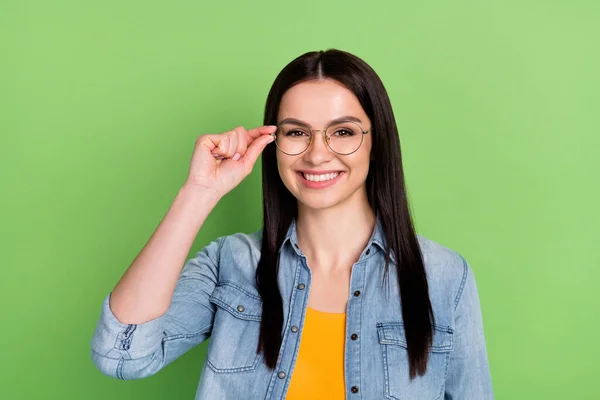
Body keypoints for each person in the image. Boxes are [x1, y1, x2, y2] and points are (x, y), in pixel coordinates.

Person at [90, 49, 494, 399]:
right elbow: (122, 356)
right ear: (273, 143)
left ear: (377, 144)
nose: (317, 155)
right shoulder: (230, 264)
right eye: (297, 132)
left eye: (343, 132)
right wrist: (199, 193)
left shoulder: (444, 277)